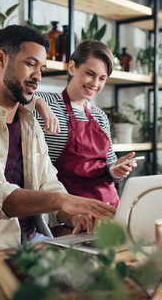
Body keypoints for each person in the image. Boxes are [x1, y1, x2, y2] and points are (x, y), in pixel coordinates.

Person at [0, 25, 116, 262]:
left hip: (33, 246)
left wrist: (73, 216)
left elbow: (47, 183)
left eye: (42, 68)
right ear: (1, 58)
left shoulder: (30, 122)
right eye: (30, 64)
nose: (38, 76)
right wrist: (65, 199)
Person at [33, 40, 138, 208]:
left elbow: (109, 167)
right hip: (69, 210)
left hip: (109, 206)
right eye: (90, 74)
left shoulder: (100, 116)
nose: (95, 84)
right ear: (72, 67)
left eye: (102, 78)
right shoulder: (47, 103)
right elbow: (13, 96)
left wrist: (117, 170)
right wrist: (37, 102)